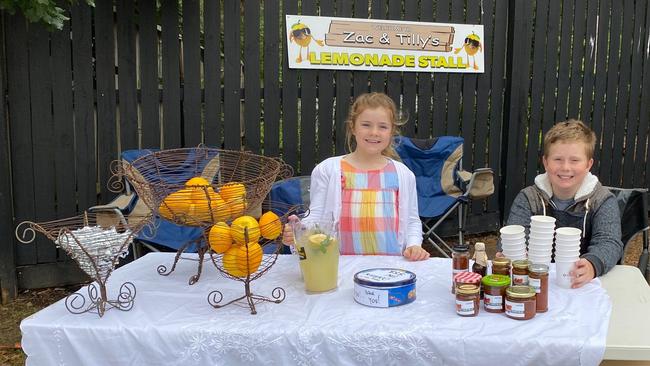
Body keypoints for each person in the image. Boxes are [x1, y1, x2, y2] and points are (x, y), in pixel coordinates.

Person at [283, 92, 429, 261]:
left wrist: (414, 245)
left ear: (391, 131)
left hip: (391, 267)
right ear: (353, 127)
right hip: (340, 268)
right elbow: (316, 218)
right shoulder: (328, 169)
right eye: (366, 125)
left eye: (383, 126)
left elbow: (412, 221)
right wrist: (298, 231)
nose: (374, 132)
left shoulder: (403, 174)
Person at [498, 119, 623, 288]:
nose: (565, 167)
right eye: (558, 159)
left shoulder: (602, 200)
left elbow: (609, 242)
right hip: (533, 282)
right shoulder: (528, 198)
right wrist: (507, 253)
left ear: (588, 164)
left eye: (574, 160)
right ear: (545, 162)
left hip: (580, 284)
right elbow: (513, 235)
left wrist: (593, 264)